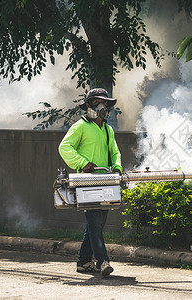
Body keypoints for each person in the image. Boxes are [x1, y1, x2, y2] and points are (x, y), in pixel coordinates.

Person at [58, 88, 123, 276]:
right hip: (86, 183)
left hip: (106, 181)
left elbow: (115, 152)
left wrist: (117, 166)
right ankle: (102, 261)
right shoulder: (80, 126)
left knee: (97, 223)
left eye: (105, 103)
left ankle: (83, 262)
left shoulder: (108, 130)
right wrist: (82, 163)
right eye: (96, 103)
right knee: (95, 222)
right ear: (87, 105)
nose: (102, 106)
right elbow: (64, 147)